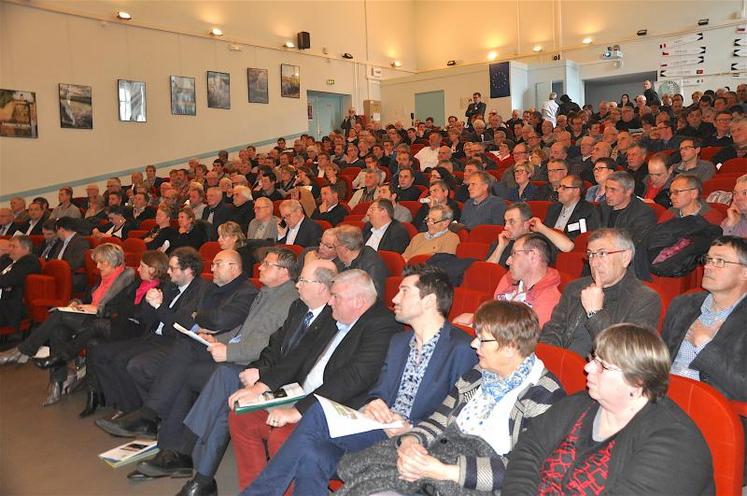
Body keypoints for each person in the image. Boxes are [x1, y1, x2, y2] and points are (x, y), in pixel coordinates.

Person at [242, 265, 477, 496]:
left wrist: (413, 427)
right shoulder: (399, 342)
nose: (394, 297)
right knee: (313, 452)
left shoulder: (460, 348)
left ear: (429, 301)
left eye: (404, 291)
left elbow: (460, 417)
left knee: (316, 427)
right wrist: (376, 402)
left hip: (420, 441)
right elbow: (380, 390)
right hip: (380, 428)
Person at [336, 300, 566, 495]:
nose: (473, 344)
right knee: (368, 477)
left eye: (482, 339)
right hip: (440, 455)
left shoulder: (543, 395)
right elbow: (437, 421)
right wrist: (410, 443)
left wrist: (443, 470)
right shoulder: (477, 375)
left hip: (474, 482)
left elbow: (522, 469)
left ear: (510, 347)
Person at [225, 269, 401, 492]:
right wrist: (260, 387)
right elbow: (297, 356)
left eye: (335, 296)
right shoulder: (334, 315)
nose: (329, 302)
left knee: (284, 437)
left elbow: (353, 377)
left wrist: (298, 411)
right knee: (242, 417)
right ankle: (251, 487)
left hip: (331, 408)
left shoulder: (381, 326)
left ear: (358, 301)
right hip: (298, 392)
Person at [175, 259, 339, 495]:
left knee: (230, 399)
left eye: (303, 280)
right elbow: (274, 347)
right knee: (230, 403)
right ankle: (207, 476)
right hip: (271, 375)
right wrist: (259, 369)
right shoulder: (299, 308)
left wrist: (262, 376)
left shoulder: (331, 319)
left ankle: (199, 471)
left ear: (322, 286)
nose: (297, 285)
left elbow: (300, 362)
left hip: (294, 387)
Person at [503, 324, 713, 495]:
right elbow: (528, 451)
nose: (588, 367)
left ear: (638, 380)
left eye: (602, 366)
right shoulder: (580, 404)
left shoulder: (676, 443)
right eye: (593, 358)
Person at [662, 236, 747, 479]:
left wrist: (705, 345)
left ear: (744, 274)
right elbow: (660, 359)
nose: (708, 266)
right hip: (666, 402)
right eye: (709, 259)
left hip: (716, 415)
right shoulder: (684, 304)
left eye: (720, 261)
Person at [16, 244, 139, 406]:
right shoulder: (102, 278)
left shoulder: (129, 282)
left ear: (115, 262)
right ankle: (57, 383)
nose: (98, 266)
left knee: (58, 315)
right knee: (58, 331)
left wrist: (97, 309)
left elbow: (122, 311)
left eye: (102, 263)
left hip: (105, 324)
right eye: (97, 262)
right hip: (87, 318)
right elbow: (87, 298)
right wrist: (76, 302)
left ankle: (25, 350)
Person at [541, 228, 661, 355]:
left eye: (602, 253)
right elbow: (552, 333)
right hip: (561, 366)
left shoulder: (645, 299)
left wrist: (595, 313)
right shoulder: (575, 288)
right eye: (591, 254)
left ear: (625, 257)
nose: (594, 263)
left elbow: (624, 356)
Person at [79, 250, 170, 417]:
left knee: (97, 328)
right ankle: (103, 396)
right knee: (94, 345)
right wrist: (128, 312)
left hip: (139, 332)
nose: (138, 269)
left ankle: (65, 354)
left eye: (142, 266)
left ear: (153, 269)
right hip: (124, 325)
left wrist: (129, 311)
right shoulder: (137, 284)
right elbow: (120, 305)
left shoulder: (161, 289)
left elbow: (143, 316)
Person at [457, 233, 562, 327]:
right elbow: (493, 314)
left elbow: (523, 339)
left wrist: (477, 319)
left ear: (533, 256)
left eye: (514, 254)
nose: (508, 261)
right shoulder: (508, 279)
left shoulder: (550, 299)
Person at [486, 202, 574, 268]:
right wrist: (500, 247)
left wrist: (542, 228)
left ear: (526, 224)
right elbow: (487, 272)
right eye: (505, 222)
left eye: (511, 222)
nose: (506, 227)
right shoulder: (502, 241)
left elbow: (568, 246)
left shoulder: (540, 240)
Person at [599, 171, 657, 246]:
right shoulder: (602, 207)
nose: (607, 194)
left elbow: (634, 245)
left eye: (613, 190)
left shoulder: (643, 214)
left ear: (628, 192)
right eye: (606, 188)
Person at [332, 224, 389, 298]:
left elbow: (373, 297)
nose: (334, 250)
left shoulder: (372, 265)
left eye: (335, 246)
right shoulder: (340, 261)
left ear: (344, 249)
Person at [0, 235, 41, 334]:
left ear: (26, 249)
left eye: (14, 247)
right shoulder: (7, 260)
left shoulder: (29, 262)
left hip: (9, 307)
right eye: (10, 246)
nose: (10, 249)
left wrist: (6, 284)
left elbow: (6, 280)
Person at [543, 174, 600, 239]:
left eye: (564, 188)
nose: (559, 190)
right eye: (559, 187)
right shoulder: (553, 208)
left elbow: (586, 238)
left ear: (576, 191)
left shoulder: (588, 210)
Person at [658, 174, 725, 225]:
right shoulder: (668, 214)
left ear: (693, 194)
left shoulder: (712, 217)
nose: (671, 197)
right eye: (671, 193)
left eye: (676, 192)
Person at [49, 216, 90, 293]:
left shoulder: (80, 242)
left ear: (60, 229)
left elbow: (76, 263)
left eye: (57, 231)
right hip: (60, 274)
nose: (57, 234)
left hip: (72, 276)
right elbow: (54, 259)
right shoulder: (61, 242)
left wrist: (59, 270)